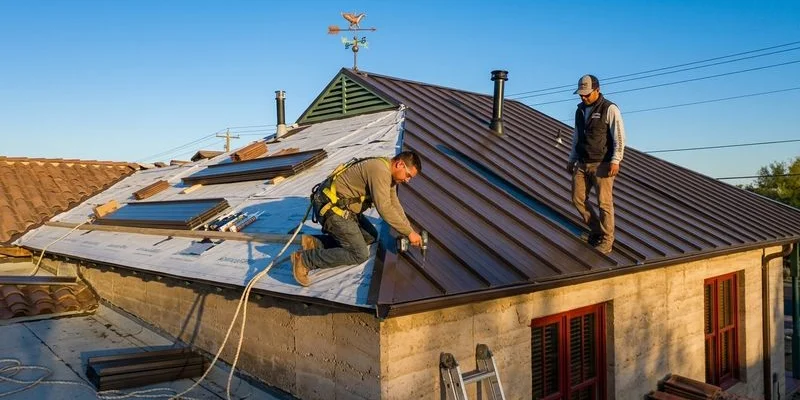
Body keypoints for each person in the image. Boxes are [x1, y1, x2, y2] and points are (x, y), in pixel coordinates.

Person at [291, 151, 423, 286]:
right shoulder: (379, 171)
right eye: (408, 175)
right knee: (359, 254)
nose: (407, 180)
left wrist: (409, 230)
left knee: (370, 236)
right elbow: (385, 208)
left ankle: (314, 243)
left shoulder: (389, 174)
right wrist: (408, 233)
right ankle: (305, 260)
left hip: (345, 210)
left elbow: (394, 204)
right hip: (331, 209)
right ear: (400, 164)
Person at [566, 74, 626, 254]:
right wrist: (572, 158)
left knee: (604, 203)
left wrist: (616, 160)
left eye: (587, 94)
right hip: (583, 162)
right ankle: (597, 231)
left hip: (602, 163)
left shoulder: (609, 108)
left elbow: (619, 136)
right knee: (577, 199)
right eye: (581, 95)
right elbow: (577, 136)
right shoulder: (580, 110)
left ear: (597, 90)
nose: (583, 97)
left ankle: (607, 240)